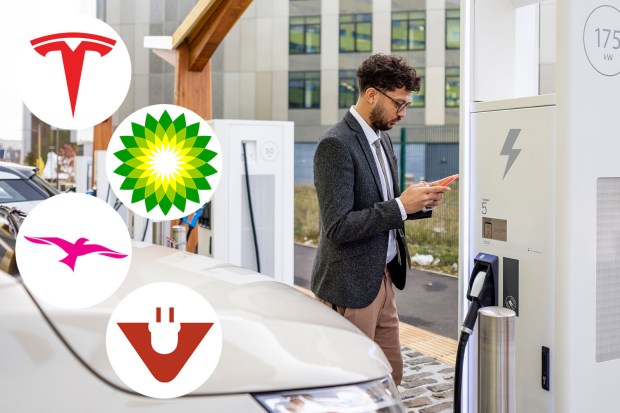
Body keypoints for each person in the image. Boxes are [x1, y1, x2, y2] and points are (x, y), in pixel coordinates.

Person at [311, 54, 450, 386]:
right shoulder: (335, 145)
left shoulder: (381, 138)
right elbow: (338, 227)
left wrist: (418, 200)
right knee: (353, 382)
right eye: (399, 104)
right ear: (371, 94)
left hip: (383, 276)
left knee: (390, 375)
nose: (402, 113)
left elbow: (382, 204)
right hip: (350, 285)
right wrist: (401, 206)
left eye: (407, 105)